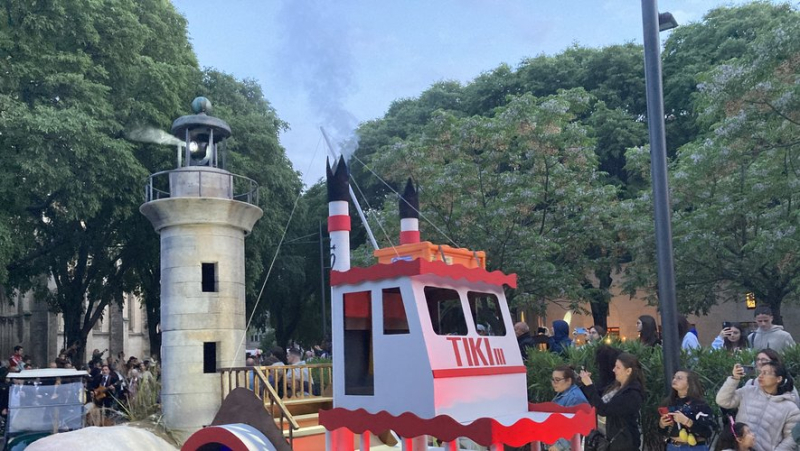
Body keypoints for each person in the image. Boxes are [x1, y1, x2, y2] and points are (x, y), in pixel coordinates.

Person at [716, 360, 800, 450]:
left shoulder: (790, 408)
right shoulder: (748, 391)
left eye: (765, 373)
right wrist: (734, 379)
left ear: (778, 379)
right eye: (760, 372)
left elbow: (791, 438)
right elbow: (723, 401)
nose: (760, 376)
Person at [579, 352, 644, 450]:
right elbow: (596, 396)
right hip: (609, 440)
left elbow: (604, 409)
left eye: (618, 367)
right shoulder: (616, 386)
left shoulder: (632, 394)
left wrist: (589, 386)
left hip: (623, 443)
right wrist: (586, 383)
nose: (614, 370)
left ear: (628, 371)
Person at [659, 370, 716, 450]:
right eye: (674, 378)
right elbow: (662, 431)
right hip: (673, 446)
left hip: (694, 447)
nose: (674, 380)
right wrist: (662, 424)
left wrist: (687, 421)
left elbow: (707, 432)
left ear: (690, 383)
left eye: (679, 378)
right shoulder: (668, 402)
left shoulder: (700, 404)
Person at [546, 365, 589, 451]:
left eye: (557, 380)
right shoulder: (564, 393)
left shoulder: (575, 398)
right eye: (553, 379)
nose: (554, 383)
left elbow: (575, 426)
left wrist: (558, 446)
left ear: (568, 380)